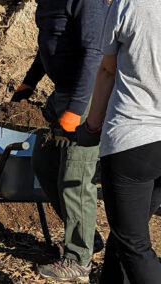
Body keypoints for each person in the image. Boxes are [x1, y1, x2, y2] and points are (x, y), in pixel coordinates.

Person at [11, 0, 108, 282]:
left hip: (86, 97)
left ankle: (78, 261)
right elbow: (50, 43)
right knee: (44, 163)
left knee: (74, 179)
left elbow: (94, 52)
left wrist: (77, 109)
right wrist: (30, 82)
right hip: (61, 93)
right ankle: (87, 237)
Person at [76, 0, 161, 283]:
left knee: (134, 243)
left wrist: (90, 127)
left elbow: (107, 71)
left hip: (133, 138)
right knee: (125, 233)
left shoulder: (128, 3)